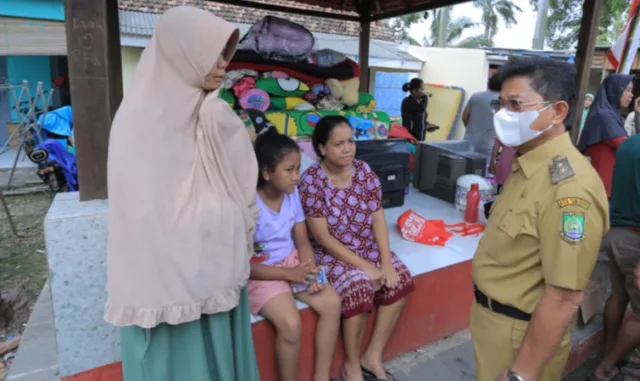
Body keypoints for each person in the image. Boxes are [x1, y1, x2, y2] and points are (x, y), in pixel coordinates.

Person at [104, 7, 261, 381]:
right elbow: (142, 213)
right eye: (212, 53)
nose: (224, 64)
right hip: (163, 285)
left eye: (226, 53)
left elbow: (238, 185)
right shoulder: (137, 123)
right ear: (181, 53)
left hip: (217, 274)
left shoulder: (212, 113)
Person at [471, 58, 609, 381]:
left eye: (516, 105)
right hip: (493, 324)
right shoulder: (527, 161)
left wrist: (521, 374)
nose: (504, 115)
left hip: (521, 339)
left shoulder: (569, 189)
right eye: (501, 104)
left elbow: (563, 297)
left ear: (557, 111)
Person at [299, 115, 415, 381]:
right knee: (359, 286)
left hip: (366, 246)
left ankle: (372, 356)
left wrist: (384, 263)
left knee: (399, 278)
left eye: (350, 141)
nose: (347, 148)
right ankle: (351, 366)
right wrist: (367, 268)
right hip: (330, 253)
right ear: (321, 149)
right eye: (338, 143)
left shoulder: (364, 171)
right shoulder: (312, 181)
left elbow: (378, 219)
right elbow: (323, 237)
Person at [249, 131, 342, 381]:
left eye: (298, 168)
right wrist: (290, 274)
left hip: (292, 261)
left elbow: (301, 240)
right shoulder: (249, 205)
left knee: (332, 304)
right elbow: (243, 266)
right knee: (290, 325)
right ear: (267, 173)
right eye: (289, 170)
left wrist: (308, 267)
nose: (296, 176)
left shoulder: (293, 195)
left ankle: (321, 377)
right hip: (262, 271)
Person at [591, 134, 640, 381]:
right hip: (635, 240)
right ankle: (607, 366)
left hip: (616, 233)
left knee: (618, 296)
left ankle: (609, 353)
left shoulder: (630, 144)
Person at [578, 74, 634, 198]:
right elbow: (626, 145)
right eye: (628, 90)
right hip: (601, 188)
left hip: (607, 186)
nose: (632, 95)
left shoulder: (613, 115)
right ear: (615, 90)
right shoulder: (604, 116)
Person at [462, 73, 501, 160]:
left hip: (469, 141)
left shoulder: (475, 96)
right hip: (489, 146)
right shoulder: (502, 101)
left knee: (467, 168)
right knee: (485, 171)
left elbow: (465, 117)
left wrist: (473, 130)